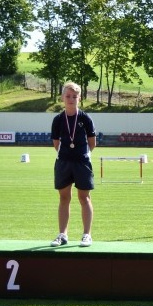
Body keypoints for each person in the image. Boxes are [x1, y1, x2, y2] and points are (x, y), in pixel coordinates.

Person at [50, 82, 96, 247]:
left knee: (84, 197)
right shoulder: (58, 120)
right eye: (68, 96)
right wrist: (66, 155)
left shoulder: (85, 118)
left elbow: (92, 142)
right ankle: (62, 234)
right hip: (63, 162)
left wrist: (82, 155)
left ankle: (87, 235)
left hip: (82, 162)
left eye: (74, 97)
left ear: (79, 98)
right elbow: (56, 144)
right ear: (62, 97)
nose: (71, 99)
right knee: (64, 198)